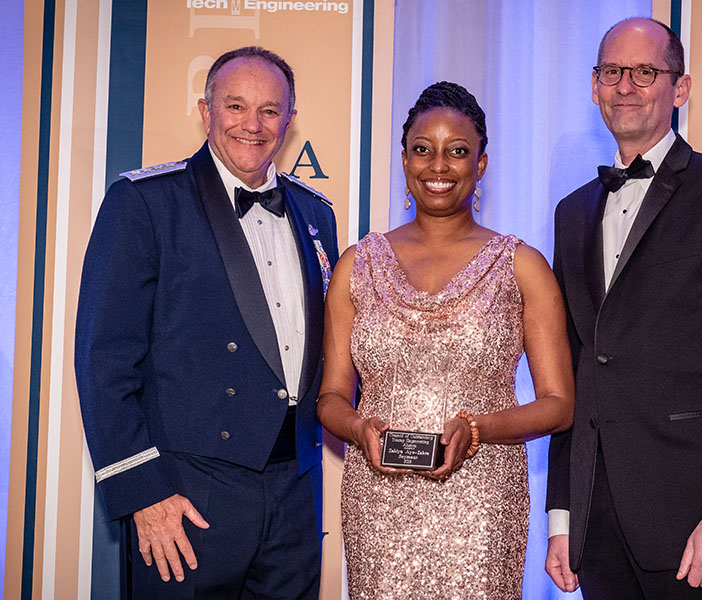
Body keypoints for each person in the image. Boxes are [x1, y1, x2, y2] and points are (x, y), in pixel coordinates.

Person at [74, 46, 338, 599]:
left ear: (289, 120)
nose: (252, 124)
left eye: (270, 110)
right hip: (187, 495)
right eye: (235, 105)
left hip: (294, 490)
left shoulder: (317, 213)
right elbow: (105, 359)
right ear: (206, 110)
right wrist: (143, 493)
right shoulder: (144, 202)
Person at [544, 17, 702, 599]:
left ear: (679, 89)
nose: (625, 85)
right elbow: (575, 372)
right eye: (611, 71)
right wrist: (563, 516)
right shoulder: (571, 212)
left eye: (645, 71)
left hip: (696, 524)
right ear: (595, 86)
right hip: (598, 526)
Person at [316, 81, 574, 599]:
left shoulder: (521, 266)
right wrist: (360, 428)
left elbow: (558, 405)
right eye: (422, 149)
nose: (439, 166)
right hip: (378, 497)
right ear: (405, 159)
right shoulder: (355, 265)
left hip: (482, 499)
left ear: (480, 165)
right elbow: (330, 398)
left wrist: (476, 430)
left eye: (458, 151)